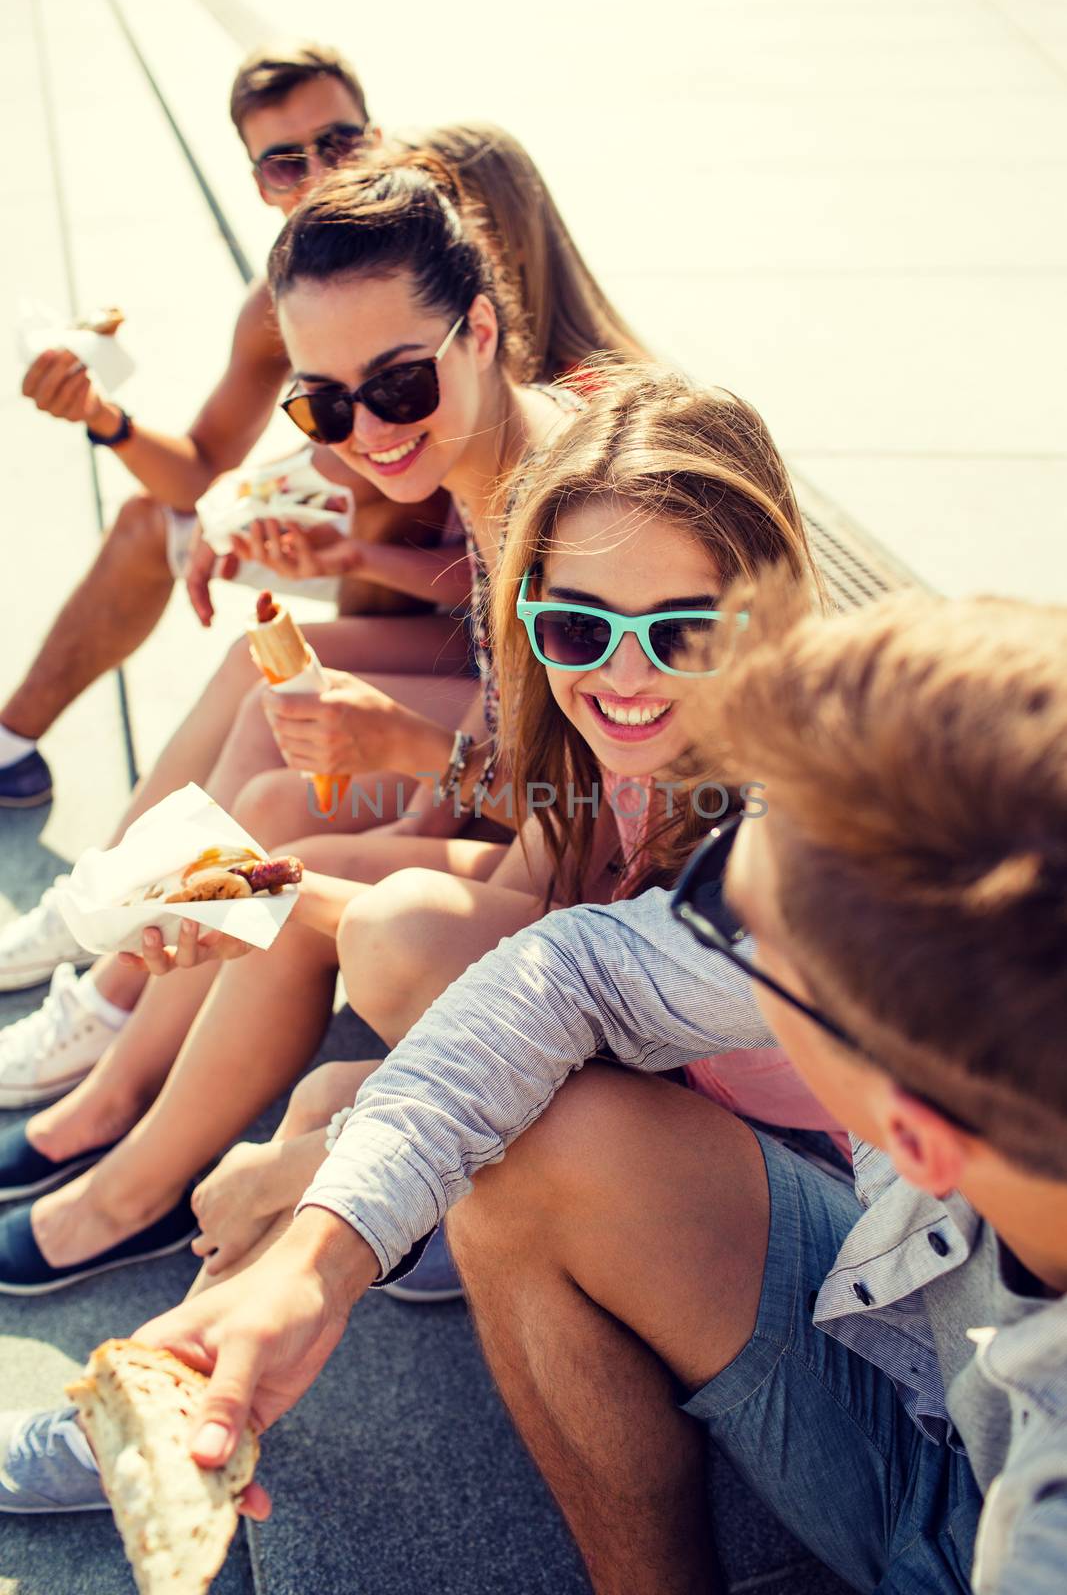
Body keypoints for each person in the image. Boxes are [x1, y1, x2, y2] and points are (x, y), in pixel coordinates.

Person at [16, 581, 1053, 1593]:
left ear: (911, 1137)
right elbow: (574, 968)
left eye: (733, 918)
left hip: (951, 1518)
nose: (691, 926)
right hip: (928, 1353)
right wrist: (322, 1253)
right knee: (526, 1110)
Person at [0, 367, 840, 1302]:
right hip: (644, 1060)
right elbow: (543, 896)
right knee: (314, 904)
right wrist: (241, 895)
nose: (625, 670)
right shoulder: (631, 733)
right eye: (573, 628)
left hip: (790, 1178)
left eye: (683, 635)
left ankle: (199, 1303)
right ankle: (170, 1314)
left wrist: (333, 1146)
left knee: (359, 997)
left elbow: (567, 1002)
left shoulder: (771, 821)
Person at [2, 40, 453, 812]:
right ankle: (10, 746)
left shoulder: (444, 255)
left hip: (463, 584)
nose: (321, 172)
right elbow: (204, 467)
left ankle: (366, 765)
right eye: (286, 162)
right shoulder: (274, 302)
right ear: (260, 184)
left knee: (365, 487)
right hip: (363, 554)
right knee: (155, 521)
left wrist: (286, 486)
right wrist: (101, 416)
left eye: (339, 143)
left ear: (376, 139)